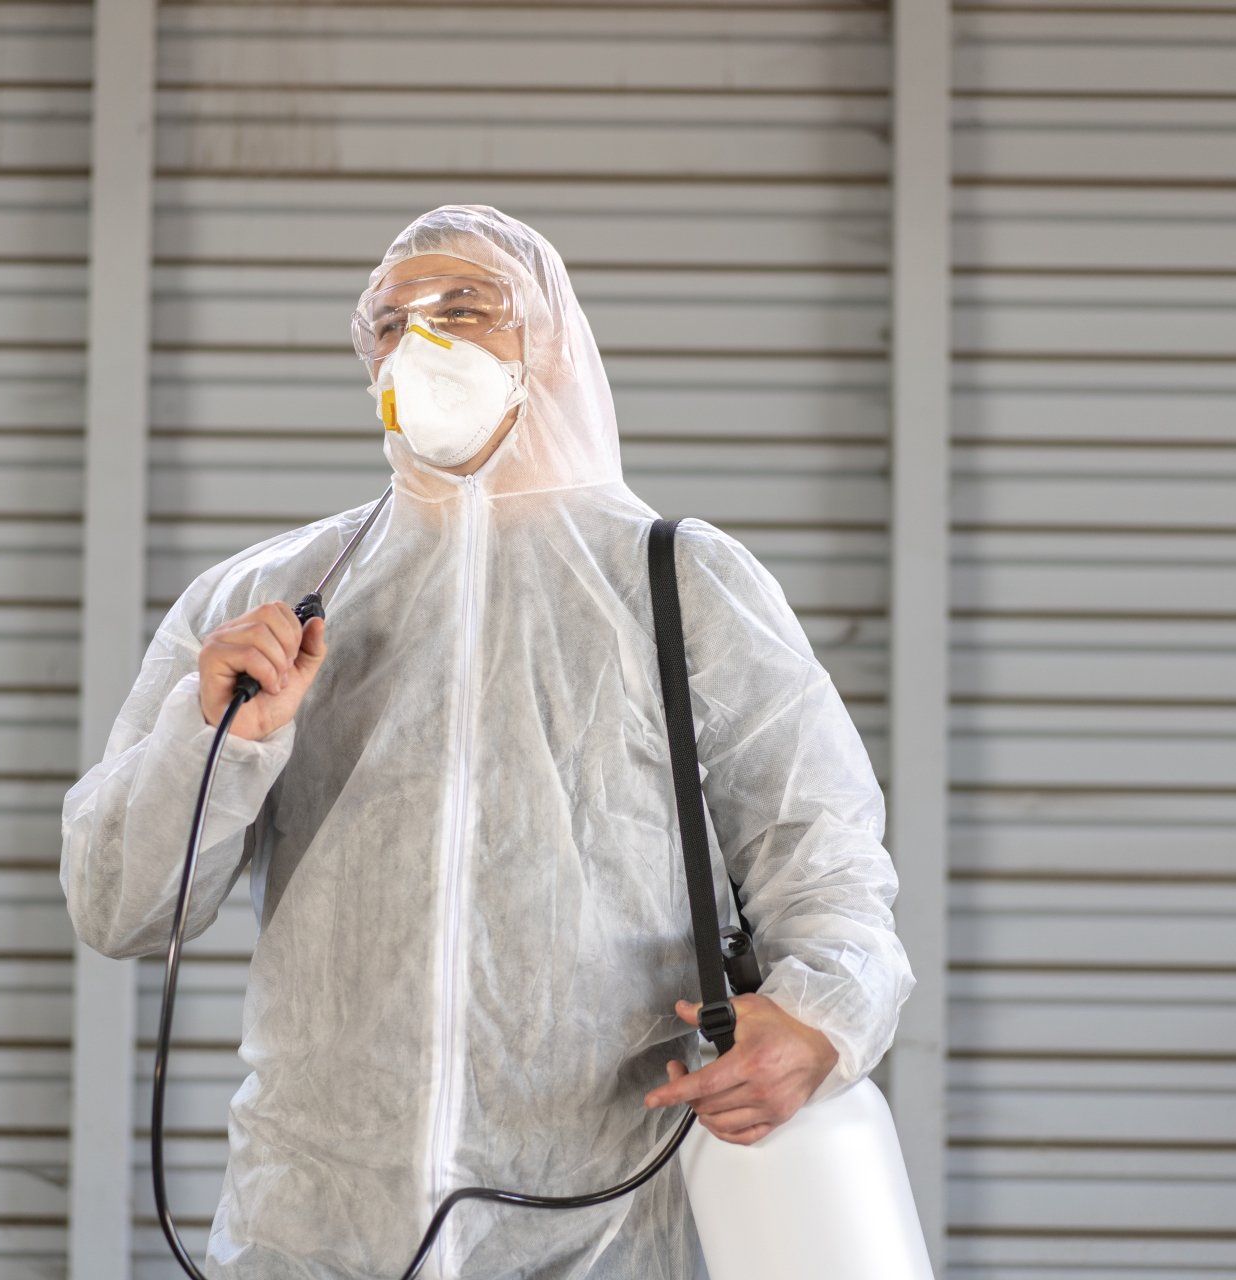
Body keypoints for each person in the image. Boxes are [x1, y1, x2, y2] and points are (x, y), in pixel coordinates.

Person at [60, 204, 917, 1279]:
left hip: (593, 1229)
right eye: (391, 322)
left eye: (467, 307)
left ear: (549, 343)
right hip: (313, 1233)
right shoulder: (266, 603)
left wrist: (824, 1020)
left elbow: (826, 851)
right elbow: (118, 904)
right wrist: (220, 739)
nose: (425, 342)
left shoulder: (678, 581)